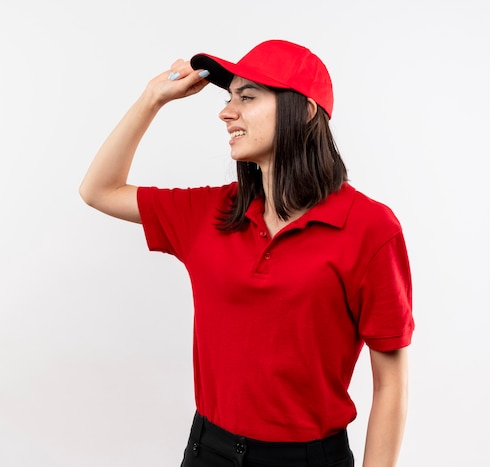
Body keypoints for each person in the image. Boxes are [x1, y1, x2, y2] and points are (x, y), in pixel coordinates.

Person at [79, 39, 414, 467]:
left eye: (248, 97)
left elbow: (391, 383)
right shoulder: (212, 212)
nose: (226, 112)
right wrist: (153, 99)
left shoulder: (370, 229)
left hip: (310, 459)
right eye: (228, 97)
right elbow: (98, 191)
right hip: (208, 451)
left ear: (305, 110)